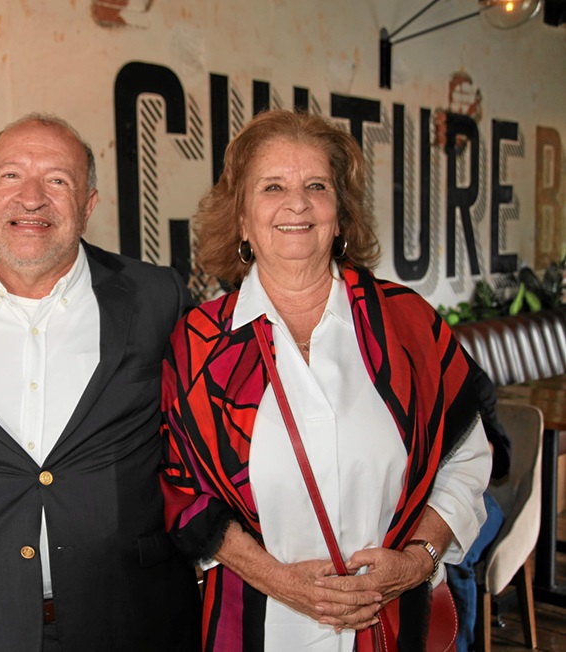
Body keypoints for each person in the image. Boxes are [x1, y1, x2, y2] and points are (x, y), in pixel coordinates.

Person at [159, 109, 492, 651]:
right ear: (242, 220)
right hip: (255, 629)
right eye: (272, 187)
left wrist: (417, 560)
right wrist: (279, 581)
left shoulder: (407, 324)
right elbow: (181, 492)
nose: (297, 203)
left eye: (317, 186)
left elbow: (466, 459)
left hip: (393, 625)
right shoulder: (198, 345)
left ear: (340, 217)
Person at [0, 113, 201, 651]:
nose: (32, 198)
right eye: (11, 175)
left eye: (57, 180)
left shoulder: (158, 297)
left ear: (88, 204)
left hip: (133, 614)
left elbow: (203, 442)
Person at [446, 358, 512, 652]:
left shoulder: (471, 379)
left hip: (480, 500)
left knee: (455, 555)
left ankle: (462, 646)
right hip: (426, 501)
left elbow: (501, 461)